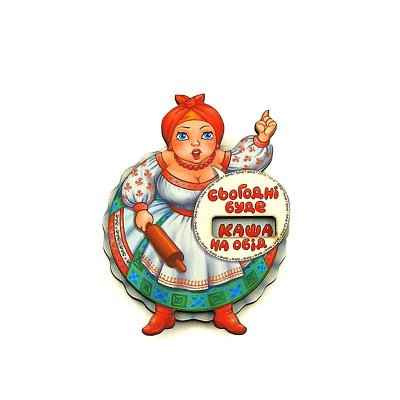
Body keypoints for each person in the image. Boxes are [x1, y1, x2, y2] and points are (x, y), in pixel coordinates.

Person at [108, 94, 277, 335]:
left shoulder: (217, 158)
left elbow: (246, 162)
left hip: (211, 226)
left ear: (216, 140)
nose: (195, 144)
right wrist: (141, 208)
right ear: (170, 141)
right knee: (166, 271)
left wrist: (261, 140)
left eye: (206, 136)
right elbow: (141, 178)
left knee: (220, 267)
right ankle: (164, 313)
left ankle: (224, 312)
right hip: (173, 226)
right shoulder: (164, 160)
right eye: (183, 136)